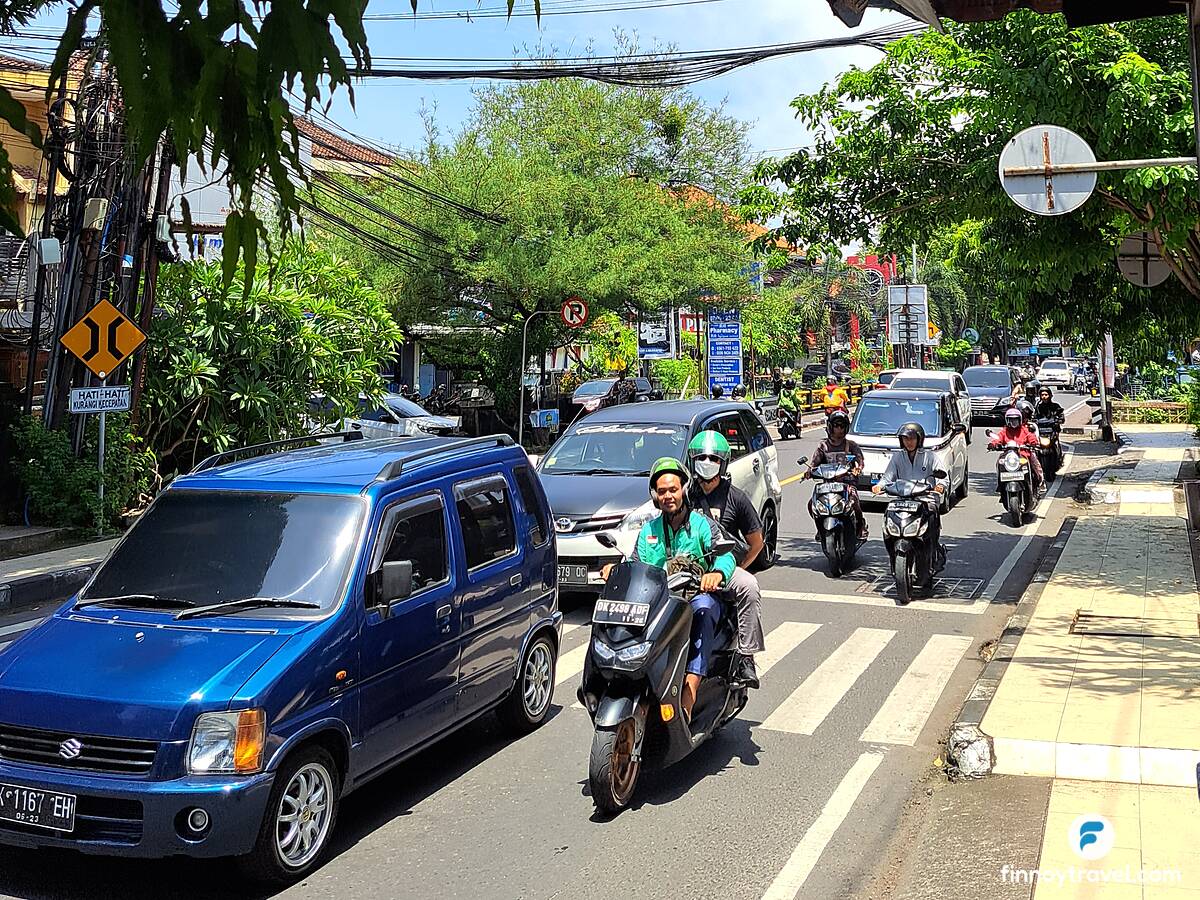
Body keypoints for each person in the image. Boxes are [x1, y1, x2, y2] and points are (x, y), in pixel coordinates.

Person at [603, 458, 734, 722]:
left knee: (704, 609)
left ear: (684, 489)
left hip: (696, 597)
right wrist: (615, 570)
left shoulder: (702, 525)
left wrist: (715, 573)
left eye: (673, 489)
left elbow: (727, 555)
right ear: (654, 496)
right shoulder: (649, 530)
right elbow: (635, 562)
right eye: (661, 491)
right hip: (659, 601)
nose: (668, 496)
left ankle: (690, 688)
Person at [685, 431, 765, 689]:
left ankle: (746, 657)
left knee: (749, 587)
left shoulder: (736, 498)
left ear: (723, 462)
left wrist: (735, 568)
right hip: (686, 567)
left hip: (723, 567)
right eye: (701, 457)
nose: (706, 462)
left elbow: (756, 542)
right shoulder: (685, 495)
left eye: (713, 458)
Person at [871, 422, 948, 566]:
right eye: (906, 439)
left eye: (912, 438)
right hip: (902, 500)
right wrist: (879, 486)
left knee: (931, 514)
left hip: (925, 498)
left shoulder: (930, 456)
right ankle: (892, 548)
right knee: (889, 514)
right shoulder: (897, 457)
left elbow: (943, 477)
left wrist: (940, 486)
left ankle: (932, 550)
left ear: (919, 439)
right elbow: (887, 478)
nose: (909, 442)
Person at [802, 409, 868, 540]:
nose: (839, 429)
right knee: (812, 505)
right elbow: (814, 463)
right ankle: (820, 529)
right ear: (830, 427)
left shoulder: (851, 445)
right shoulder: (823, 446)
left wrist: (858, 469)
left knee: (854, 503)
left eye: (842, 426)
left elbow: (860, 460)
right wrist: (809, 472)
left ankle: (860, 527)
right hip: (828, 485)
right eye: (836, 425)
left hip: (847, 484)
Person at [988, 407, 1043, 494]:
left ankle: (1041, 482)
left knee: (1035, 463)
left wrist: (1033, 443)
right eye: (1011, 420)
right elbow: (998, 439)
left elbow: (1032, 438)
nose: (1013, 423)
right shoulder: (1004, 431)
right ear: (1007, 420)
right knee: (999, 462)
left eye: (1015, 420)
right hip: (1009, 456)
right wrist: (993, 444)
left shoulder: (1025, 430)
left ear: (1020, 420)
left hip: (1024, 454)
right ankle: (1000, 484)